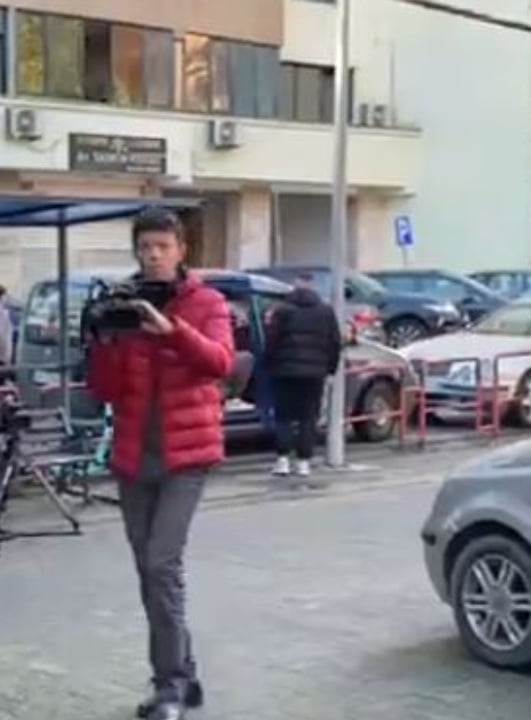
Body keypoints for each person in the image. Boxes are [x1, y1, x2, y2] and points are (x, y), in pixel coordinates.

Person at [87, 208, 234, 720]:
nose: (152, 256)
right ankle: (185, 676)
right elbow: (104, 390)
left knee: (161, 565)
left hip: (186, 456)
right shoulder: (123, 303)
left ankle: (169, 686)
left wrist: (171, 330)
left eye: (162, 247)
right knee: (149, 573)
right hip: (134, 457)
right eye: (145, 247)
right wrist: (102, 341)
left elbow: (220, 362)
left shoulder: (207, 302)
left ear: (181, 250)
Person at [265, 272, 342, 481]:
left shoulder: (282, 310)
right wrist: (330, 369)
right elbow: (335, 343)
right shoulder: (325, 312)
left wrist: (270, 365)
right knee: (308, 417)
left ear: (294, 285)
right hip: (314, 374)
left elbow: (271, 341)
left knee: (284, 416)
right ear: (312, 286)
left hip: (285, 372)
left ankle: (282, 460)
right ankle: (303, 462)